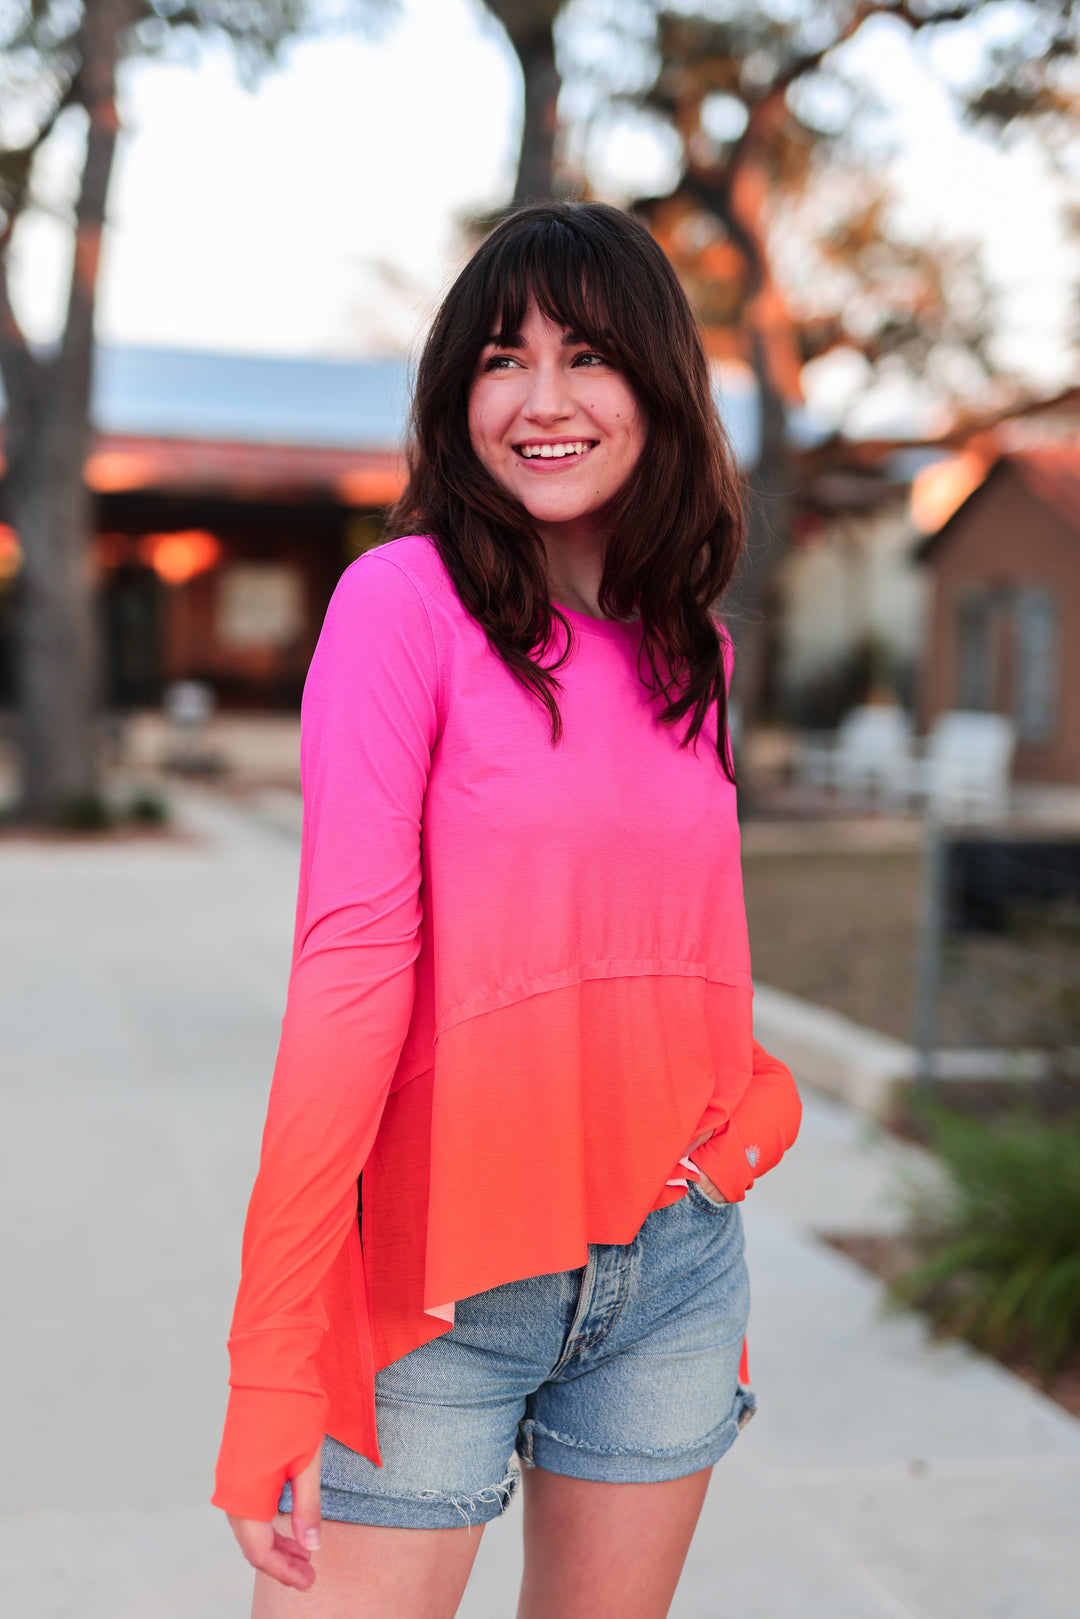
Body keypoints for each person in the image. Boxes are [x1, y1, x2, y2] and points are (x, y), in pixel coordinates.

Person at [212, 200, 802, 1619]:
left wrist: (748, 1123)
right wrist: (274, 1348)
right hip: (433, 1290)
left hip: (667, 1276)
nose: (541, 401)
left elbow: (697, 950)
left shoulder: (693, 650)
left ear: (658, 388)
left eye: (587, 356)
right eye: (499, 359)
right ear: (453, 394)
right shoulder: (400, 605)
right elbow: (350, 972)